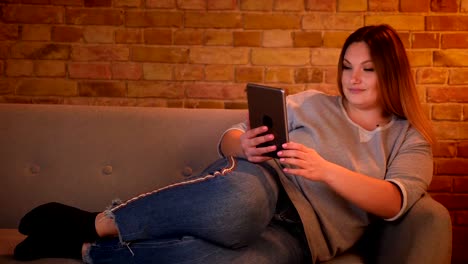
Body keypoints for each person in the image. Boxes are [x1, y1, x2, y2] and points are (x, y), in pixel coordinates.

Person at [13, 24, 435, 264]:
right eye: (347, 67)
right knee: (239, 207)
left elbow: (393, 200)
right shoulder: (310, 103)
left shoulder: (408, 139)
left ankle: (82, 249)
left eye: (368, 69)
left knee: (223, 262)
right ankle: (96, 221)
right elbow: (229, 137)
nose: (353, 78)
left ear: (391, 73)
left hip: (303, 238)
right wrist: (244, 145)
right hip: (261, 185)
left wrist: (325, 169)